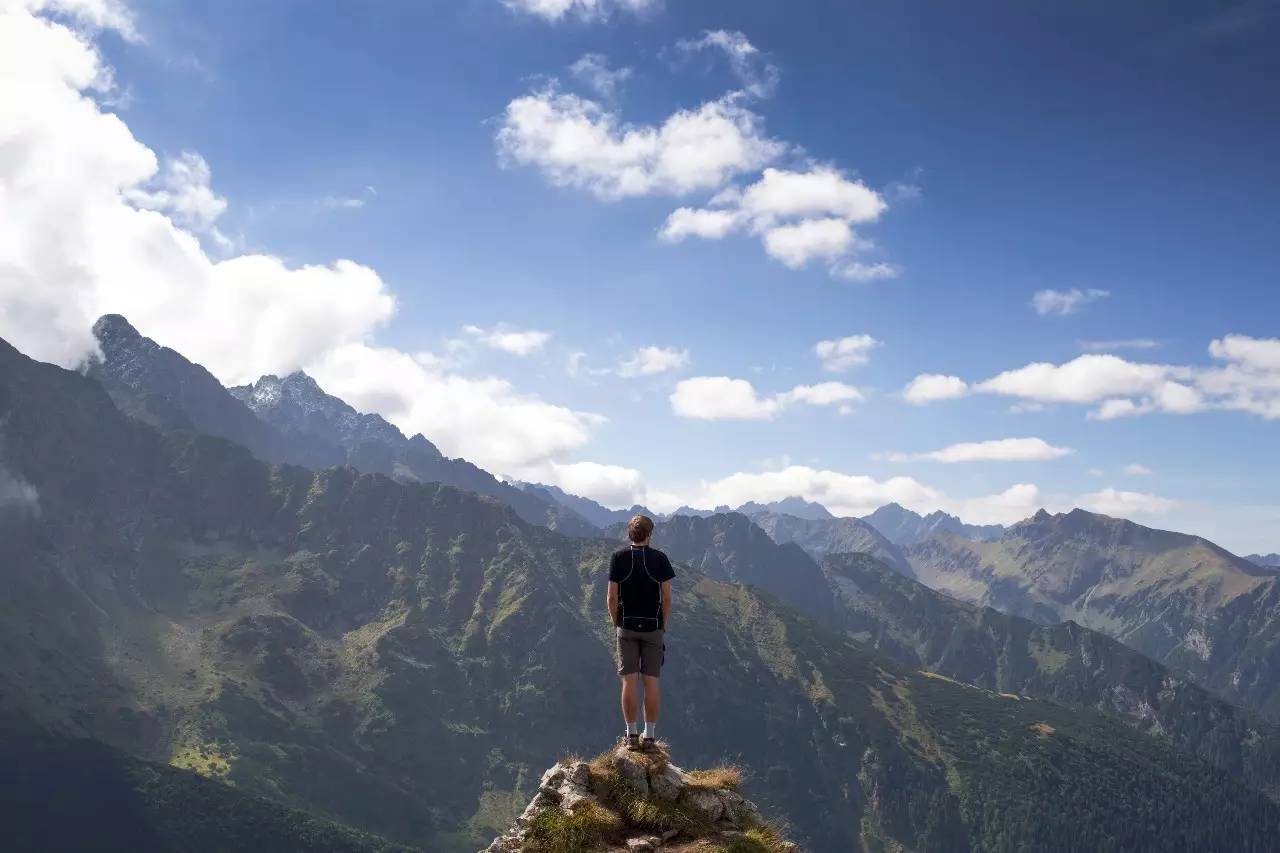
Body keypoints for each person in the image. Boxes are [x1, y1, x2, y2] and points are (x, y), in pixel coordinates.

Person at [607, 514, 674, 751]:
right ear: (650, 533)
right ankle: (650, 738)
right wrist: (663, 625)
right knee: (651, 682)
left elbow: (612, 597)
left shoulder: (618, 558)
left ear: (630, 533)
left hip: (626, 626)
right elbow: (666, 597)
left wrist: (617, 623)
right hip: (653, 627)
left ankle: (631, 735)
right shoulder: (660, 559)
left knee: (628, 681)